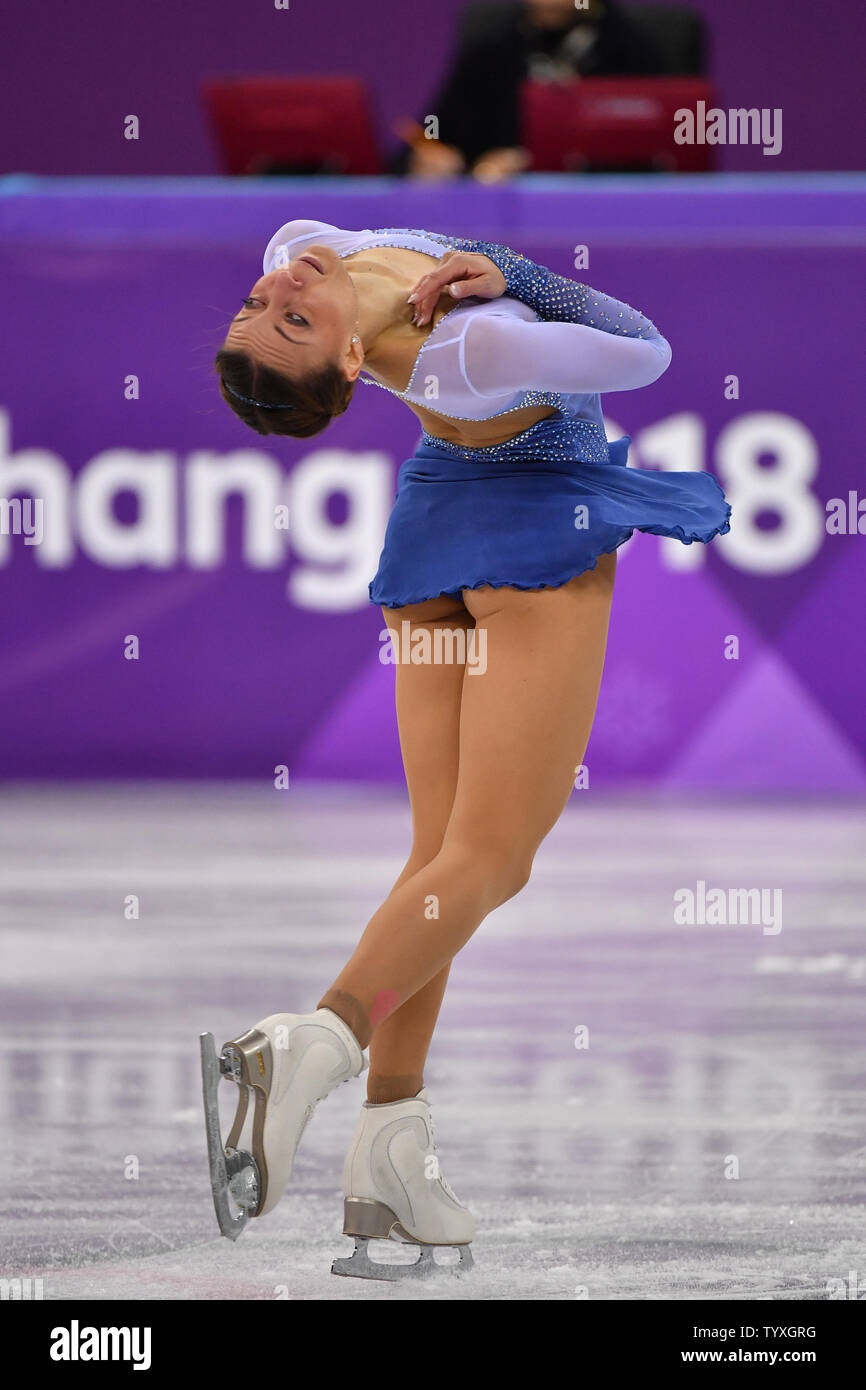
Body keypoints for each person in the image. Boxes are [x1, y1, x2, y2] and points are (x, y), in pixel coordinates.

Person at [204, 219, 730, 1278]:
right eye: (290, 318)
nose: (275, 288)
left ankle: (388, 1152)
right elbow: (644, 352)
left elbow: (299, 261)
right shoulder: (476, 353)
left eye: (261, 307)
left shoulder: (303, 240)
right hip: (526, 533)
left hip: (437, 525)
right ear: (353, 363)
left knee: (438, 859)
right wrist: (523, 279)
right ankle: (312, 1044)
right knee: (492, 859)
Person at [399, 0, 663, 182]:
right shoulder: (490, 53)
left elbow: (651, 155)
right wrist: (426, 156)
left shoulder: (629, 51)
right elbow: (430, 135)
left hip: (599, 212)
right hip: (499, 220)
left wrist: (529, 161)